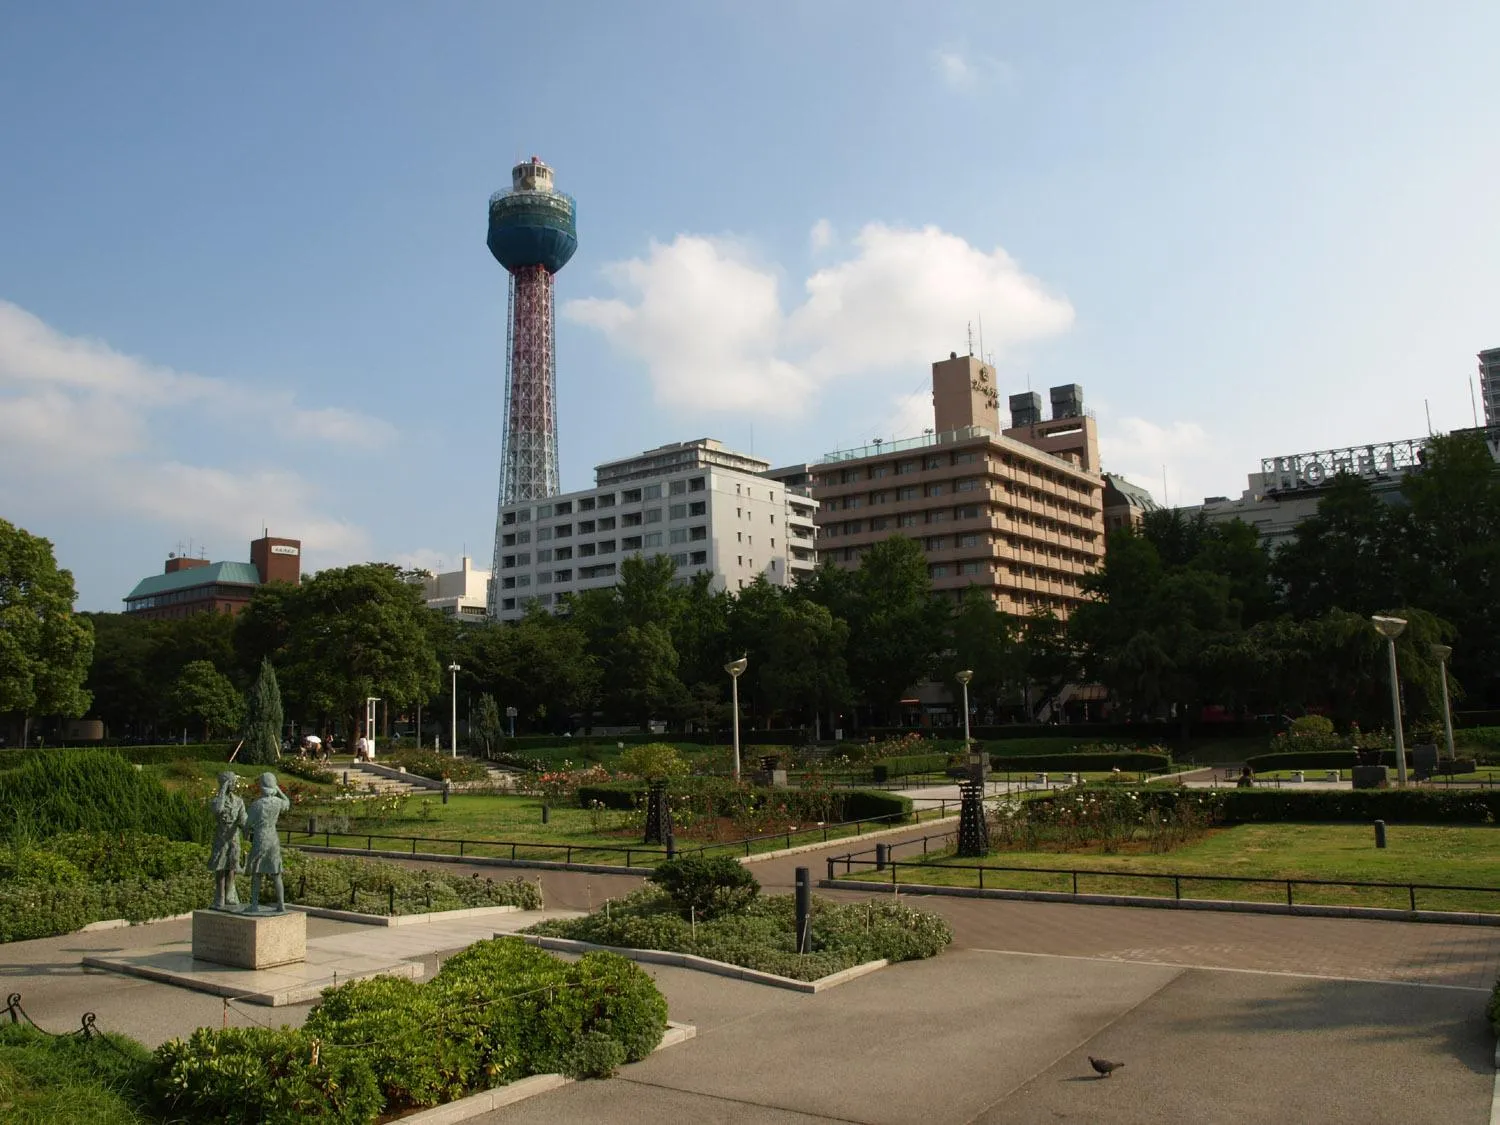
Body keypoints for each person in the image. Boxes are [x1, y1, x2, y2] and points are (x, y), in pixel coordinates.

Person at [245, 773, 292, 912]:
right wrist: (278, 790)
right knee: (276, 872)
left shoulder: (257, 805)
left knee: (257, 872)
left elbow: (247, 824)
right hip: (273, 838)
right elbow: (287, 802)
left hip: (260, 837)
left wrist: (246, 837)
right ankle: (281, 903)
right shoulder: (278, 802)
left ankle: (254, 904)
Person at [207, 772, 246, 909]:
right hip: (221, 837)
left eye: (234, 781)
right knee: (220, 867)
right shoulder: (217, 801)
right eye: (231, 782)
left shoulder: (239, 801)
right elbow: (217, 810)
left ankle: (230, 895)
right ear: (224, 783)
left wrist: (249, 825)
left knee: (232, 866)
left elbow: (243, 820)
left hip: (234, 837)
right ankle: (220, 897)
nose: (234, 784)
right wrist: (222, 791)